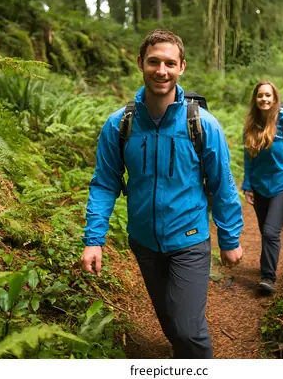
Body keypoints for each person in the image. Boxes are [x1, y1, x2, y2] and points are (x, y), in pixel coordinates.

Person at [80, 28, 243, 359]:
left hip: (190, 240)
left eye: (170, 63)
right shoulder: (120, 124)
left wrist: (229, 238)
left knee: (187, 328)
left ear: (182, 66)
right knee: (169, 318)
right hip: (143, 242)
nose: (161, 70)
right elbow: (105, 182)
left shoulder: (203, 125)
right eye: (154, 62)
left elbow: (221, 184)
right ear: (141, 63)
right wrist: (93, 238)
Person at [241, 80, 283, 294]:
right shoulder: (251, 125)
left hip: (282, 186)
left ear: (275, 98)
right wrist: (248, 184)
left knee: (271, 232)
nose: (264, 99)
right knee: (265, 230)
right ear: (255, 99)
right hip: (260, 187)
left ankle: (268, 278)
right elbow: (249, 159)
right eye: (260, 95)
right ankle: (267, 264)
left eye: (268, 95)